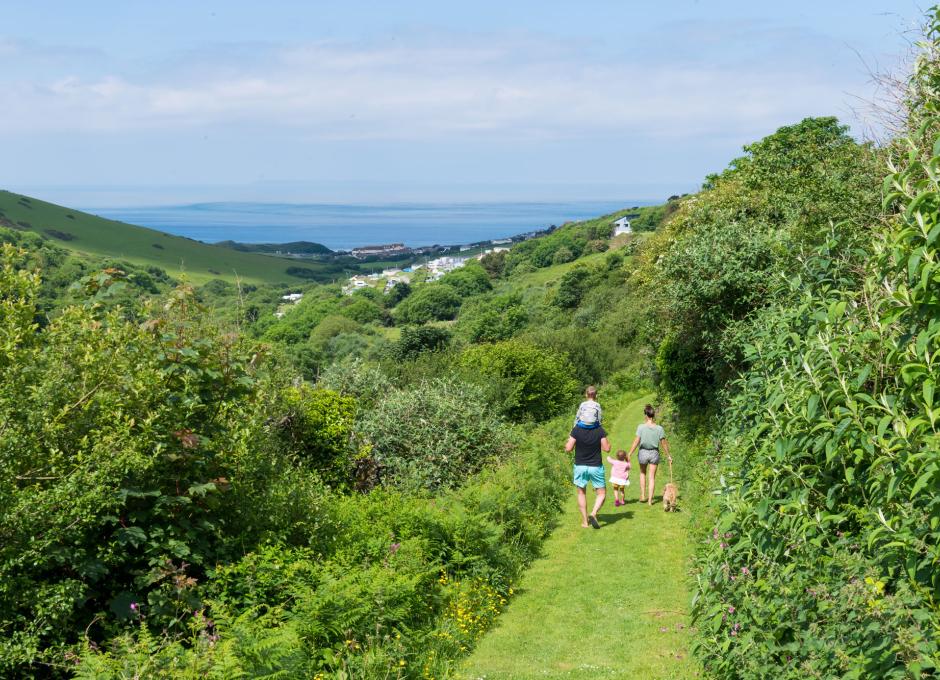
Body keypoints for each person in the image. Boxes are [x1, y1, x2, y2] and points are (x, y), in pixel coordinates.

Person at [565, 420, 611, 528]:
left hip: (580, 466)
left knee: (581, 493)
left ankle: (585, 522)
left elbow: (568, 448)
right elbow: (607, 449)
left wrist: (568, 440)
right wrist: (609, 444)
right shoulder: (599, 430)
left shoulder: (576, 429)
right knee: (601, 493)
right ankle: (594, 513)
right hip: (595, 466)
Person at [626, 404, 670, 506]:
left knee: (642, 473)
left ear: (646, 415)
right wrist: (668, 455)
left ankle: (642, 495)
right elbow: (663, 443)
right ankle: (650, 501)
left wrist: (630, 453)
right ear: (653, 415)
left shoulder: (641, 427)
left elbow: (636, 441)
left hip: (643, 452)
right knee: (652, 477)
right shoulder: (659, 428)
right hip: (654, 453)